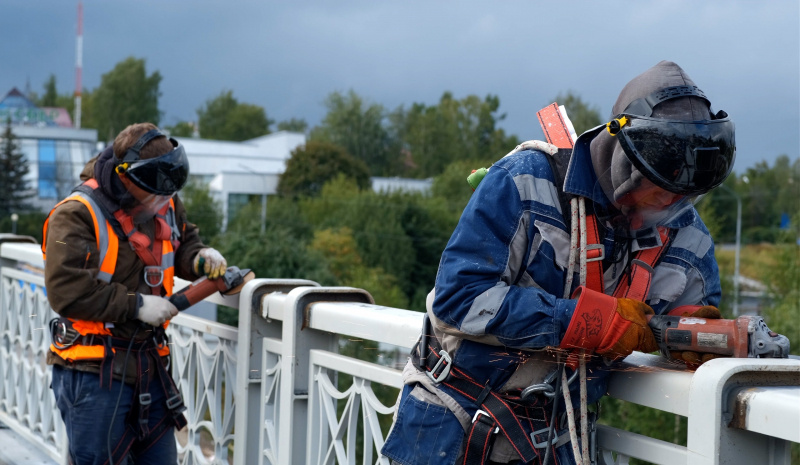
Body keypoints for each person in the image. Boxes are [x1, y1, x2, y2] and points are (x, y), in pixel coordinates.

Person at [381, 61, 735, 465]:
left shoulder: (686, 231)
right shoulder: (525, 183)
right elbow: (459, 300)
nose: (670, 206)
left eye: (683, 195)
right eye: (659, 191)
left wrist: (695, 335)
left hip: (557, 441)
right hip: (451, 430)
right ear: (625, 160)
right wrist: (587, 322)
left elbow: (678, 321)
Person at [42, 123, 228, 465]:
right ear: (127, 178)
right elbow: (65, 291)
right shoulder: (74, 215)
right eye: (155, 196)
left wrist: (200, 259)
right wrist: (137, 305)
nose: (163, 204)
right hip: (93, 372)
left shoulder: (161, 193)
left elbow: (181, 240)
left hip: (149, 366)